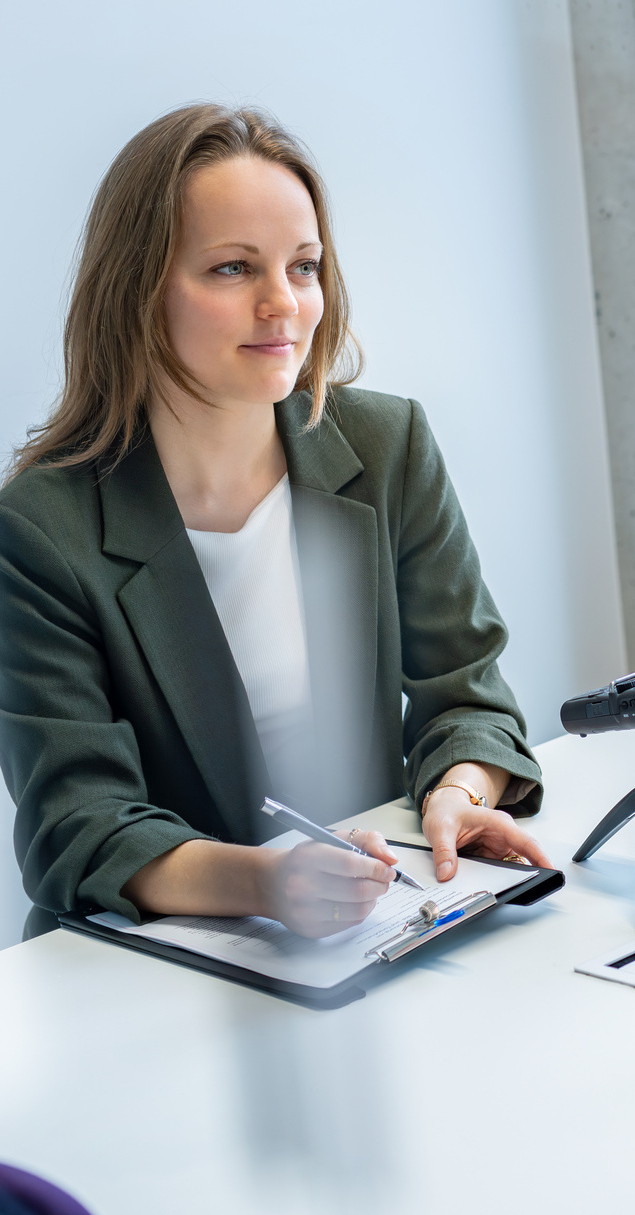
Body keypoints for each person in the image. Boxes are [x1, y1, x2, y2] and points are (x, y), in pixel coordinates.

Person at [0, 104, 551, 941]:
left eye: (303, 267)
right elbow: (78, 826)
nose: (282, 304)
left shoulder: (387, 444)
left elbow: (466, 693)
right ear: (138, 292)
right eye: (231, 269)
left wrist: (457, 796)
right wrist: (270, 882)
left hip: (381, 923)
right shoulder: (40, 529)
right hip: (154, 960)